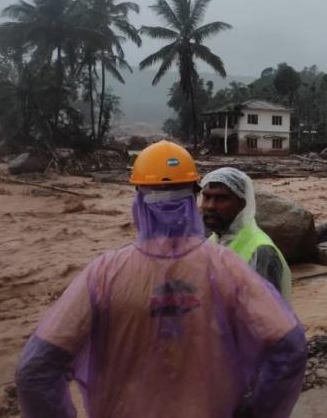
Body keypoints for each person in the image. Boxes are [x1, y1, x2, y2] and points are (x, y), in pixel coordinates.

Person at [15, 142, 306, 418]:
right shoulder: (227, 265)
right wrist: (256, 413)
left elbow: (35, 370)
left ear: (138, 200)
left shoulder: (103, 273)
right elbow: (289, 346)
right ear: (194, 199)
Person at [199, 166, 291, 300]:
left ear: (242, 204)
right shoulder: (213, 241)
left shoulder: (261, 251)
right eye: (206, 197)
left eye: (221, 198)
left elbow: (266, 315)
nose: (210, 206)